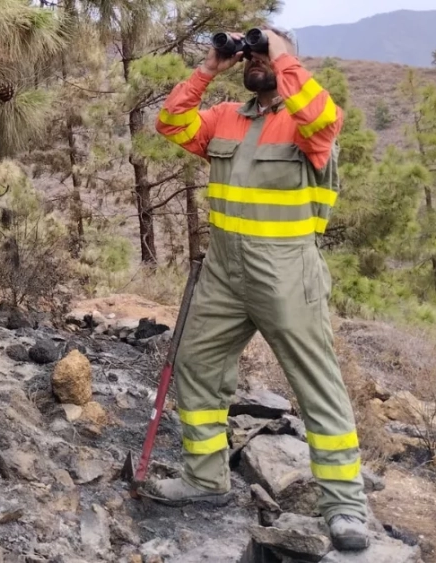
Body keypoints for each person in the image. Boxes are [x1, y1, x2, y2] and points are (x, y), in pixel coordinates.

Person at [147, 28, 370, 551]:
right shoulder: (228, 118)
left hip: (288, 273)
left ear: (285, 58)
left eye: (261, 53)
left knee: (316, 383)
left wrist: (282, 53)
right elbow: (171, 122)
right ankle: (205, 479)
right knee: (197, 365)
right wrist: (208, 68)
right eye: (248, 55)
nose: (253, 61)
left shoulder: (308, 122)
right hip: (225, 269)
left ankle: (345, 507)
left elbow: (321, 117)